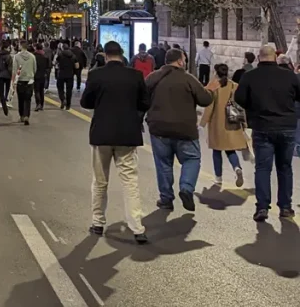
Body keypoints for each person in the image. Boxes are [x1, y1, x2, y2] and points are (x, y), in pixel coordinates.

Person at [80, 40, 150, 243]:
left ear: (105, 55)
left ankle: (98, 223)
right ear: (122, 54)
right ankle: (137, 227)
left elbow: (86, 102)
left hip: (101, 134)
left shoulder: (96, 75)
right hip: (127, 135)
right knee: (130, 181)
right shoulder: (135, 76)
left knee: (100, 181)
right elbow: (144, 102)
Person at [235, 43, 300, 222]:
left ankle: (262, 207)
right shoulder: (290, 76)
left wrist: (253, 107)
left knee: (263, 168)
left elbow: (239, 98)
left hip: (262, 127)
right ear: (275, 57)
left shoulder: (250, 76)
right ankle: (285, 207)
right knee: (285, 168)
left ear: (258, 58)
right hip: (286, 127)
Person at [146, 47, 213, 211]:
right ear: (180, 61)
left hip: (159, 129)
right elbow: (205, 99)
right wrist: (210, 90)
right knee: (191, 159)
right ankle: (186, 188)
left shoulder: (153, 77)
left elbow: (141, 99)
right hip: (185, 130)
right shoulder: (188, 79)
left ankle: (166, 199)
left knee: (163, 164)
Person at [200, 63, 246, 187]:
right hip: (232, 122)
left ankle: (218, 178)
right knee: (230, 150)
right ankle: (237, 168)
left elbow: (209, 107)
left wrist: (202, 123)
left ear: (215, 72)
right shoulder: (234, 86)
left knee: (216, 151)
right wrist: (244, 123)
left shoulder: (214, 87)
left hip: (217, 123)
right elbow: (240, 105)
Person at [12, 38, 36, 125]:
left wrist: (14, 81)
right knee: (28, 99)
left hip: (20, 80)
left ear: (21, 46)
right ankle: (27, 116)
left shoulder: (16, 57)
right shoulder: (32, 56)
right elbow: (35, 69)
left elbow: (14, 70)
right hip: (30, 80)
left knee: (21, 99)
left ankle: (22, 115)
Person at [55, 43, 76, 111]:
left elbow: (56, 62)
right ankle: (68, 105)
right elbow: (77, 65)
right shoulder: (73, 56)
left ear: (63, 48)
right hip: (70, 74)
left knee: (60, 88)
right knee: (69, 90)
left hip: (61, 74)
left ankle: (63, 99)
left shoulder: (60, 55)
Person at [33, 42, 52, 111]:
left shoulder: (34, 56)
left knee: (36, 90)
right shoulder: (45, 56)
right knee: (41, 90)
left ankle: (38, 103)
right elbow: (48, 66)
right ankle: (42, 105)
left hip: (36, 75)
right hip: (43, 75)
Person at [0, 40, 13, 109]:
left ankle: (1, 102)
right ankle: (5, 100)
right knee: (7, 88)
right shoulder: (8, 56)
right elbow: (10, 67)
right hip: (7, 75)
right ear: (6, 48)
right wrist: (11, 74)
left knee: (1, 90)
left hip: (0, 74)